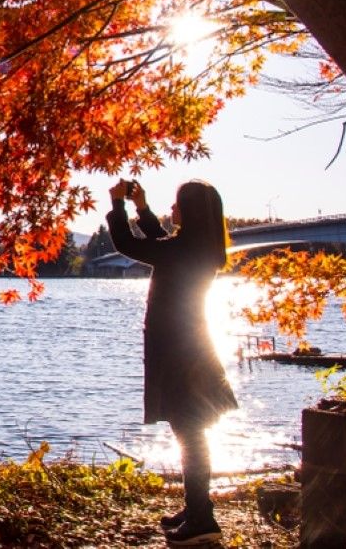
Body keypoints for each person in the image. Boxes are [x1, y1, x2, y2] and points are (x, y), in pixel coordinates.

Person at [108, 178, 238, 546]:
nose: (173, 209)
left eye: (178, 204)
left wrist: (118, 206)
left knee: (190, 431)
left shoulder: (182, 250)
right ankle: (196, 508)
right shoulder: (198, 247)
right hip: (192, 346)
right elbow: (160, 241)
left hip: (181, 352)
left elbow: (129, 244)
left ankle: (202, 517)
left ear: (191, 211)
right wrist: (142, 208)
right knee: (190, 429)